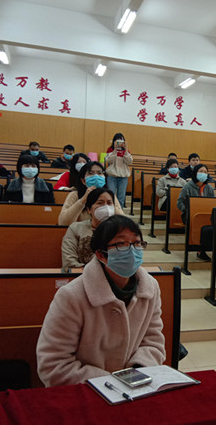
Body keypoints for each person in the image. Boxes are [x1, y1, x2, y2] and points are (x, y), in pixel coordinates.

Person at [37, 215, 166, 387]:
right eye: (121, 244)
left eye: (137, 243)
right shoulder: (71, 296)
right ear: (101, 254)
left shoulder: (150, 288)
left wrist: (135, 375)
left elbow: (153, 342)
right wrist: (110, 384)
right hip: (88, 391)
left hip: (135, 386)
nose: (131, 251)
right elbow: (53, 365)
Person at [61, 188, 116, 271]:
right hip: (82, 274)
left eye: (109, 203)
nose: (106, 207)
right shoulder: (76, 228)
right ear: (89, 209)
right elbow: (69, 261)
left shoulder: (120, 231)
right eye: (100, 203)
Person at [58, 161, 125, 226]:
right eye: (91, 173)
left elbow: (122, 221)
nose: (96, 176)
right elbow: (63, 222)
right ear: (83, 180)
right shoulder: (74, 195)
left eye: (99, 173)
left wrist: (109, 203)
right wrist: (82, 200)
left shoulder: (110, 195)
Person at [177, 164, 215, 261]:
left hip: (205, 216)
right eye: (201, 171)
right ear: (195, 173)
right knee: (200, 223)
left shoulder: (209, 188)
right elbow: (179, 203)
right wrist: (187, 210)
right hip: (189, 215)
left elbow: (214, 203)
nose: (203, 174)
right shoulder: (187, 187)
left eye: (205, 172)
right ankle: (200, 250)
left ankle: (203, 250)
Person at [105, 133, 133, 208]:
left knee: (121, 197)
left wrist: (126, 150)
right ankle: (111, 212)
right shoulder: (110, 149)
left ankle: (120, 213)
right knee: (111, 195)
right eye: (118, 141)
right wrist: (115, 150)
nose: (119, 143)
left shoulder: (126, 151)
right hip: (112, 176)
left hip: (123, 177)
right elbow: (109, 160)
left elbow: (129, 161)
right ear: (114, 141)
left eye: (121, 140)